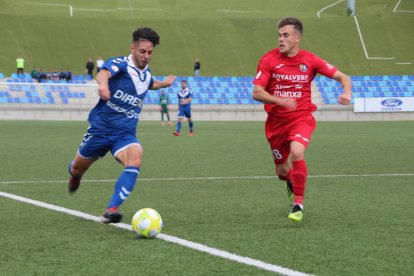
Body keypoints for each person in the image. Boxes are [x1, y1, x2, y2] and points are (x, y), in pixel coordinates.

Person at [68, 27, 176, 224]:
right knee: (77, 169)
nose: (146, 56)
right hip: (100, 131)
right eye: (142, 51)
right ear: (132, 48)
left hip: (125, 134)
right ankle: (75, 174)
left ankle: (111, 209)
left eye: (150, 52)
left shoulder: (146, 73)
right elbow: (104, 73)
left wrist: (165, 84)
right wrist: (103, 87)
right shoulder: (121, 64)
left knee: (135, 159)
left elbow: (151, 83)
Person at [252, 17, 352, 222]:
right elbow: (256, 92)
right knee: (281, 171)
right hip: (276, 123)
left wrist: (347, 94)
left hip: (301, 117)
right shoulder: (269, 59)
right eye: (279, 35)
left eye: (285, 35)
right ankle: (289, 181)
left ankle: (298, 204)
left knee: (297, 151)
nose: (280, 39)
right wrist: (280, 100)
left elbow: (344, 77)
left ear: (297, 38)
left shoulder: (310, 60)